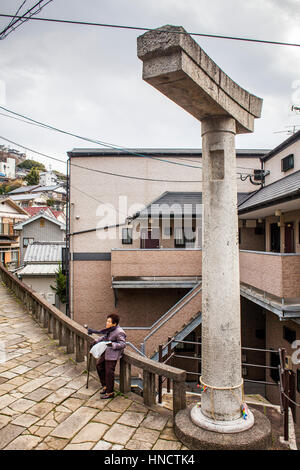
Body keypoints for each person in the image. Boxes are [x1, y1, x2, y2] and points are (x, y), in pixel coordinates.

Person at [88, 314, 126, 399]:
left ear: (114, 324)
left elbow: (123, 344)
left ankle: (110, 392)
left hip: (113, 355)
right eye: (107, 321)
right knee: (99, 366)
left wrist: (112, 344)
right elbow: (105, 337)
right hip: (106, 352)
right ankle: (105, 386)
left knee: (109, 372)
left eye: (109, 321)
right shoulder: (110, 329)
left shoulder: (120, 332)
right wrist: (96, 341)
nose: (107, 322)